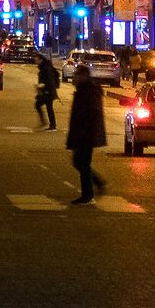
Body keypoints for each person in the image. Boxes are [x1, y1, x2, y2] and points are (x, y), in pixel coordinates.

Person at [63, 61, 107, 204]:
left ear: (83, 76)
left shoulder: (89, 91)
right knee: (81, 163)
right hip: (83, 133)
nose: (74, 78)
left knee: (81, 162)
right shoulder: (85, 90)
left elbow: (91, 114)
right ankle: (93, 187)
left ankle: (89, 192)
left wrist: (84, 132)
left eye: (76, 75)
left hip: (86, 135)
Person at [33, 52, 61, 131]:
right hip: (46, 91)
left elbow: (49, 80)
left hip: (48, 91)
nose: (36, 62)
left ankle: (51, 125)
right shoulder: (44, 67)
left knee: (46, 106)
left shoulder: (46, 68)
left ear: (41, 60)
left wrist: (43, 85)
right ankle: (49, 124)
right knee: (42, 105)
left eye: (37, 60)